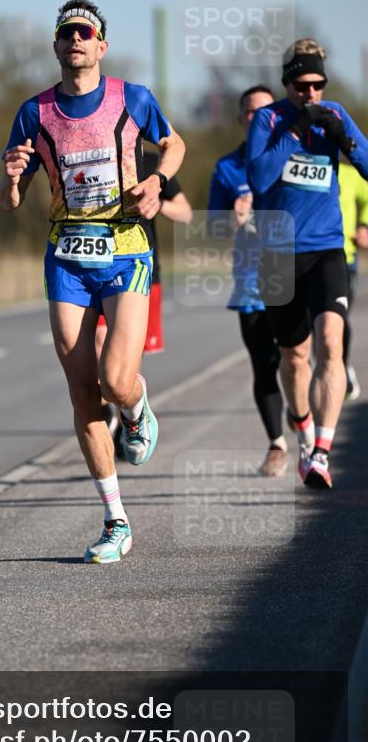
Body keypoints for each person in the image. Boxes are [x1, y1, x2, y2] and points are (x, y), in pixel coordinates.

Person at [0, 0, 185, 562]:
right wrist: (8, 182)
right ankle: (115, 521)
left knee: (115, 378)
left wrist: (156, 182)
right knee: (82, 392)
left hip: (126, 249)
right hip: (68, 255)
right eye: (65, 33)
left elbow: (173, 143)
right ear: (56, 47)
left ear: (101, 45)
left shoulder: (135, 99)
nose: (75, 39)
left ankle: (136, 406)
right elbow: (10, 200)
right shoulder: (34, 112)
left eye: (85, 32)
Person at [246, 39, 368, 489]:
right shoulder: (268, 119)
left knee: (330, 345)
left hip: (326, 249)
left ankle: (321, 452)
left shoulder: (333, 114)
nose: (312, 93)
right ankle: (301, 429)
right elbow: (257, 178)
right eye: (303, 85)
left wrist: (345, 139)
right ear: (288, 84)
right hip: (277, 253)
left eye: (319, 85)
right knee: (294, 358)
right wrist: (295, 132)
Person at [208, 84, 290, 477]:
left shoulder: (295, 153)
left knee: (298, 357)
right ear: (243, 119)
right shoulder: (227, 168)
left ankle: (309, 431)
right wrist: (233, 220)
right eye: (251, 113)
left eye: (266, 112)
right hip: (251, 282)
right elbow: (212, 230)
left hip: (294, 274)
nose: (259, 119)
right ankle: (277, 443)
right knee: (265, 364)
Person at [96, 174, 193, 455]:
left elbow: (185, 213)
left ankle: (128, 417)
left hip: (140, 269)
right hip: (96, 267)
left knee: (127, 359)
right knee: (99, 345)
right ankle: (108, 417)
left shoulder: (154, 166)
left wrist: (156, 201)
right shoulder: (99, 153)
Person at [338, 160, 368, 399]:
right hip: (302, 256)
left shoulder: (349, 174)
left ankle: (342, 365)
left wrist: (364, 225)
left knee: (338, 318)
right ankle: (326, 368)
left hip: (343, 256)